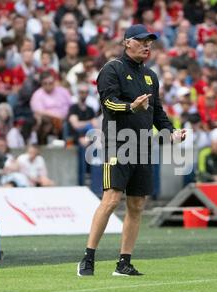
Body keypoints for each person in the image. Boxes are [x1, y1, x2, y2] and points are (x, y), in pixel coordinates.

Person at [77, 24, 186, 277]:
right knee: (112, 199)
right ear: (127, 42)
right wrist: (131, 108)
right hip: (117, 142)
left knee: (137, 205)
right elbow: (108, 102)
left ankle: (123, 263)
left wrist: (171, 133)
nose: (147, 45)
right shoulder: (111, 69)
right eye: (141, 41)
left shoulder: (151, 76)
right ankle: (88, 258)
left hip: (143, 146)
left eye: (149, 41)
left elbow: (157, 113)